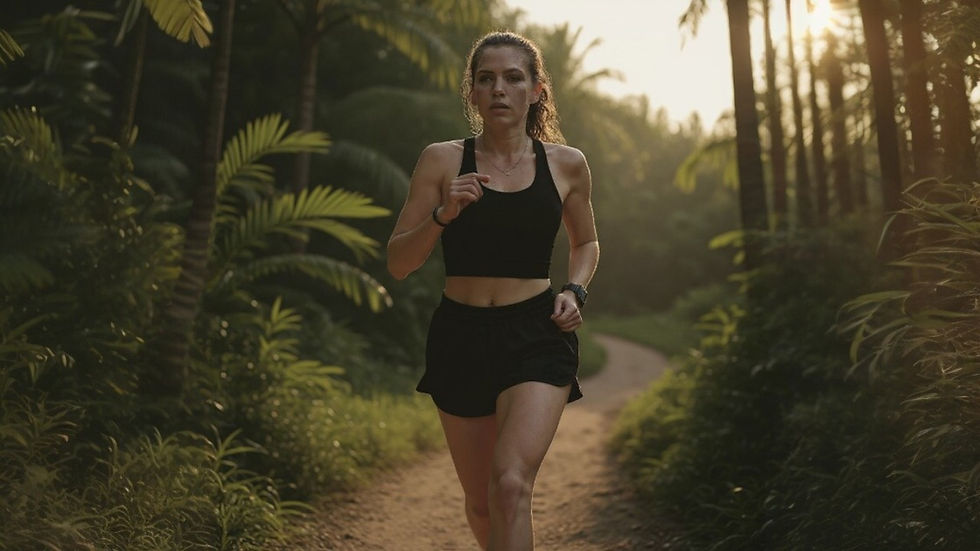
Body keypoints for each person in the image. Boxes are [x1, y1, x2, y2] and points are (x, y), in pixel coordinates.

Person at [386, 30, 599, 550]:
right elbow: (399, 263)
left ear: (537, 90)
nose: (499, 88)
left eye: (513, 77)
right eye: (486, 79)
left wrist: (574, 290)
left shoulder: (566, 164)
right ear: (473, 93)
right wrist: (443, 214)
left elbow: (587, 242)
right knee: (482, 502)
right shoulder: (441, 160)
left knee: (509, 485)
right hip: (460, 336)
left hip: (536, 334)